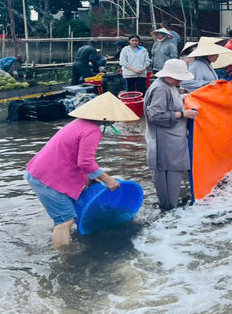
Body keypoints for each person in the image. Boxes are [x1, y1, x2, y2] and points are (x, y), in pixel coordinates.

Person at [24, 92, 139, 248]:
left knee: (62, 216)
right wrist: (107, 179)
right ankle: (64, 260)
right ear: (106, 116)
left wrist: (91, 178)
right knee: (66, 220)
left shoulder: (79, 123)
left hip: (40, 172)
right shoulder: (92, 130)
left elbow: (77, 158)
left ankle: (57, 238)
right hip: (46, 178)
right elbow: (85, 162)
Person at [144, 59, 198, 210]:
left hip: (172, 138)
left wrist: (182, 99)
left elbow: (168, 104)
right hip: (164, 139)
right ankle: (168, 207)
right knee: (166, 173)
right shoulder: (160, 89)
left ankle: (171, 204)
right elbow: (156, 116)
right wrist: (182, 114)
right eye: (178, 77)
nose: (180, 80)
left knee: (174, 170)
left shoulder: (170, 86)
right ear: (168, 75)